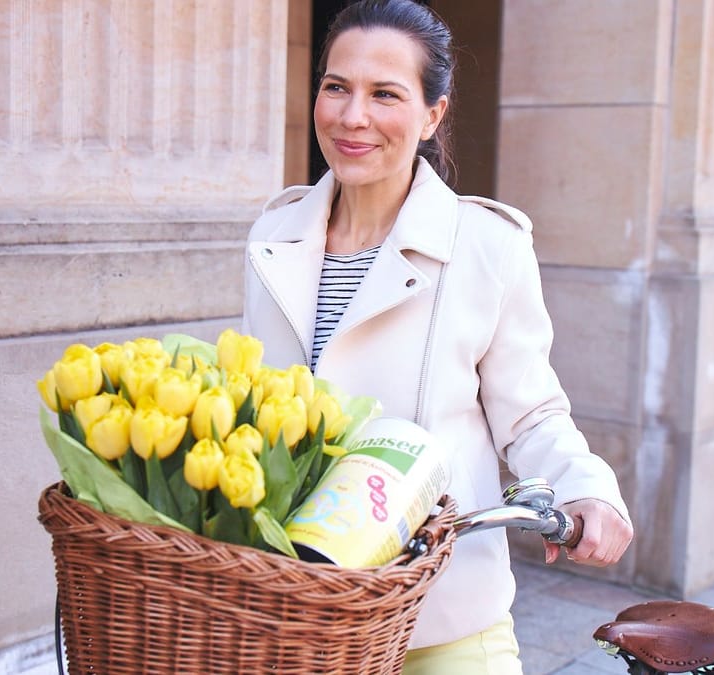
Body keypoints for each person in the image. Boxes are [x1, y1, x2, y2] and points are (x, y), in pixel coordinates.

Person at [241, 0, 633, 672]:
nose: (352, 115)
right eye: (336, 86)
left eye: (384, 94)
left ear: (432, 114)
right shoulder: (273, 235)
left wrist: (586, 485)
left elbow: (532, 411)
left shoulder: (487, 246)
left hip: (439, 615)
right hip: (301, 606)